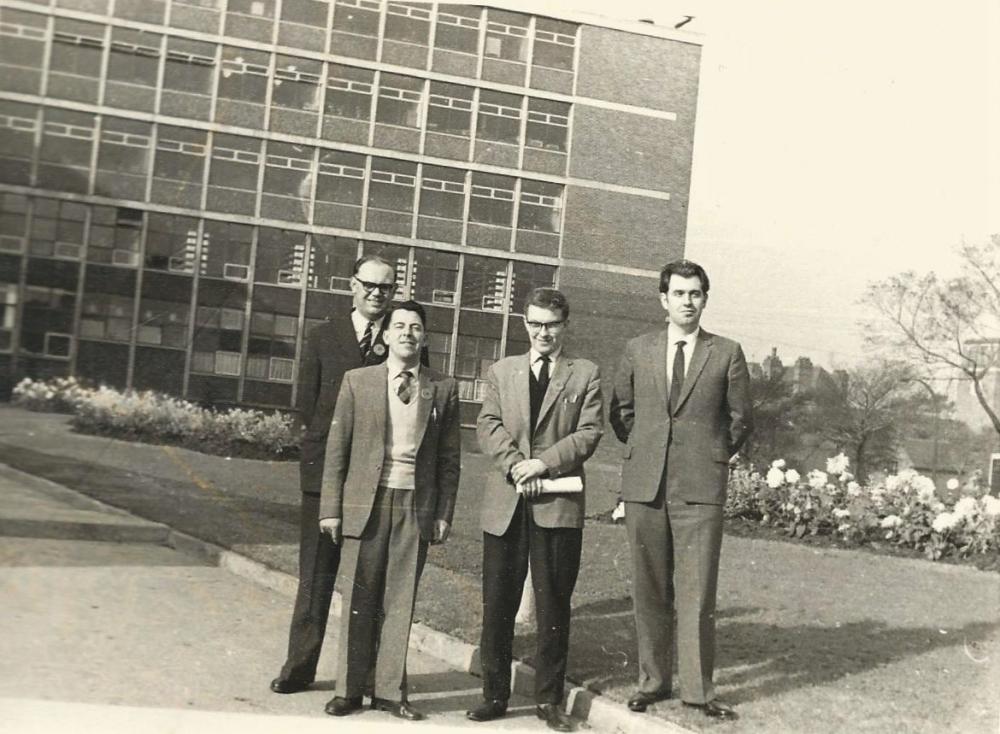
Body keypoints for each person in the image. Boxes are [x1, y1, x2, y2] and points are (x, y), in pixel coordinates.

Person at [609, 259, 753, 720]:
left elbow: (740, 420)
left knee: (696, 593)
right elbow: (622, 412)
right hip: (645, 487)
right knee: (648, 589)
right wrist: (649, 449)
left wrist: (707, 456)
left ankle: (698, 691)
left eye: (695, 294)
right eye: (678, 293)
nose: (687, 302)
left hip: (700, 489)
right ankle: (651, 682)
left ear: (704, 300)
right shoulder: (638, 349)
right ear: (663, 299)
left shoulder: (726, 353)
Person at [469, 287, 603, 732]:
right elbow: (487, 424)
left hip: (558, 502)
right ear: (524, 323)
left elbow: (588, 433)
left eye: (551, 324)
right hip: (507, 500)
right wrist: (516, 467)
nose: (543, 332)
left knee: (553, 604)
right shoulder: (501, 371)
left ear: (566, 325)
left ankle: (548, 700)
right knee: (498, 602)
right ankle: (493, 694)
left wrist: (541, 463)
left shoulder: (584, 373)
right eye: (535, 323)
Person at [319, 300, 461, 721]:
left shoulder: (443, 388)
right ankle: (348, 690)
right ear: (384, 336)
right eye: (398, 326)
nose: (406, 333)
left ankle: (388, 692)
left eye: (415, 327)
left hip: (414, 506)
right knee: (359, 597)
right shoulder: (357, 382)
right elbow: (336, 450)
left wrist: (444, 512)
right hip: (366, 503)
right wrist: (331, 509)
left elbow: (450, 460)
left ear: (425, 337)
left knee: (401, 600)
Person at [270, 255, 401, 694]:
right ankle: (299, 667)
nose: (376, 294)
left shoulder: (403, 337)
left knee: (368, 580)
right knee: (316, 577)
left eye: (386, 287)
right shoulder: (324, 336)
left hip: (377, 481)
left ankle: (359, 678)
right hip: (325, 476)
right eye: (369, 285)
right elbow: (304, 408)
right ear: (352, 285)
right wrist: (318, 474)